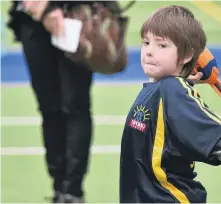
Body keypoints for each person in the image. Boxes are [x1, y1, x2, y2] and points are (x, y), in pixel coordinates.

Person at [119, 5, 221, 203]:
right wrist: (182, 80)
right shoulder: (160, 89)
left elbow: (214, 134)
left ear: (187, 55)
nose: (149, 52)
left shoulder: (173, 91)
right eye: (146, 43)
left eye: (162, 45)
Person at [6, 1, 133, 203]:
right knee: (49, 109)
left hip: (75, 16)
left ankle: (73, 191)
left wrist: (50, 7)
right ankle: (59, 187)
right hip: (32, 20)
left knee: (76, 107)